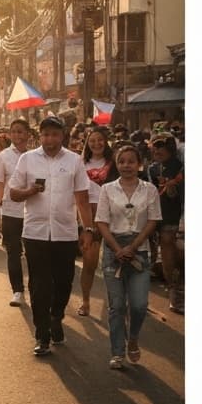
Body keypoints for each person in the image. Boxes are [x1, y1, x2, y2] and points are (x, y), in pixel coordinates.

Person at [8, 116, 97, 356]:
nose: (50, 139)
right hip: (35, 232)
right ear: (40, 136)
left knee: (64, 281)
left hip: (65, 233)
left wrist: (87, 229)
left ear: (63, 135)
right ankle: (42, 334)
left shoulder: (74, 160)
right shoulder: (27, 159)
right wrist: (30, 191)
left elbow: (82, 198)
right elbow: (14, 193)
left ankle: (56, 315)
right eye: (46, 134)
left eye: (55, 134)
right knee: (39, 284)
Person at [94, 143, 162, 369]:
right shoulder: (107, 189)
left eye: (131, 161)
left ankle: (133, 338)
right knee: (116, 305)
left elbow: (153, 220)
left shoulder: (149, 189)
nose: (126, 166)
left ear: (139, 164)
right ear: (116, 163)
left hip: (139, 250)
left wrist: (133, 246)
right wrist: (117, 248)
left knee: (139, 304)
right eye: (122, 161)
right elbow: (101, 221)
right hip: (113, 249)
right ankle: (117, 352)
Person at [0, 120, 31, 307]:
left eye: (21, 132)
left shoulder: (37, 155)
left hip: (34, 213)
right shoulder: (3, 157)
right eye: (13, 132)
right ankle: (18, 290)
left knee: (34, 254)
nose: (17, 135)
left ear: (28, 134)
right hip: (11, 212)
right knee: (13, 252)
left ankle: (36, 289)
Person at [78, 130, 119, 317]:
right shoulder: (80, 163)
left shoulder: (115, 164)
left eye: (100, 140)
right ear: (87, 143)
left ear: (106, 142)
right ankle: (85, 301)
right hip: (89, 214)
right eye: (92, 141)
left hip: (112, 215)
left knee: (114, 261)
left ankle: (116, 302)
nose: (96, 144)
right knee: (90, 262)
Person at [146, 134, 185, 313]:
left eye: (161, 146)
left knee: (169, 247)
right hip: (156, 217)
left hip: (176, 217)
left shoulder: (181, 166)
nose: (157, 150)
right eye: (154, 146)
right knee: (156, 251)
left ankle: (175, 292)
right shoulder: (152, 169)